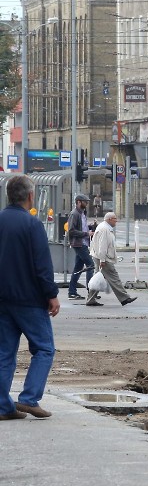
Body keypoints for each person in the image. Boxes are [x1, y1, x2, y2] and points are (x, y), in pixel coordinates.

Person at [0, 175, 60, 420]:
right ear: (30, 197)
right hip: (30, 299)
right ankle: (29, 399)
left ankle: (4, 407)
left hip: (3, 300)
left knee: (4, 353)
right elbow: (42, 265)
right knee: (44, 349)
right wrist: (52, 295)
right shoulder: (32, 224)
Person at [86, 212, 137, 307]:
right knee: (114, 277)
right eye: (115, 219)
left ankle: (90, 299)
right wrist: (102, 260)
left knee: (98, 278)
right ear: (109, 219)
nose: (116, 221)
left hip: (100, 257)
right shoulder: (105, 229)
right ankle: (124, 298)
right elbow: (103, 246)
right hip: (104, 258)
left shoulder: (104, 227)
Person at [68, 194, 94, 300]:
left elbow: (82, 227)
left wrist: (90, 227)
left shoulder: (83, 213)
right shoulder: (74, 214)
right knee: (90, 265)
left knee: (78, 268)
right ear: (79, 202)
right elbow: (71, 230)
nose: (87, 203)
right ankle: (91, 291)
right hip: (79, 243)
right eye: (85, 202)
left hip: (83, 243)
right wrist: (86, 234)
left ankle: (72, 292)